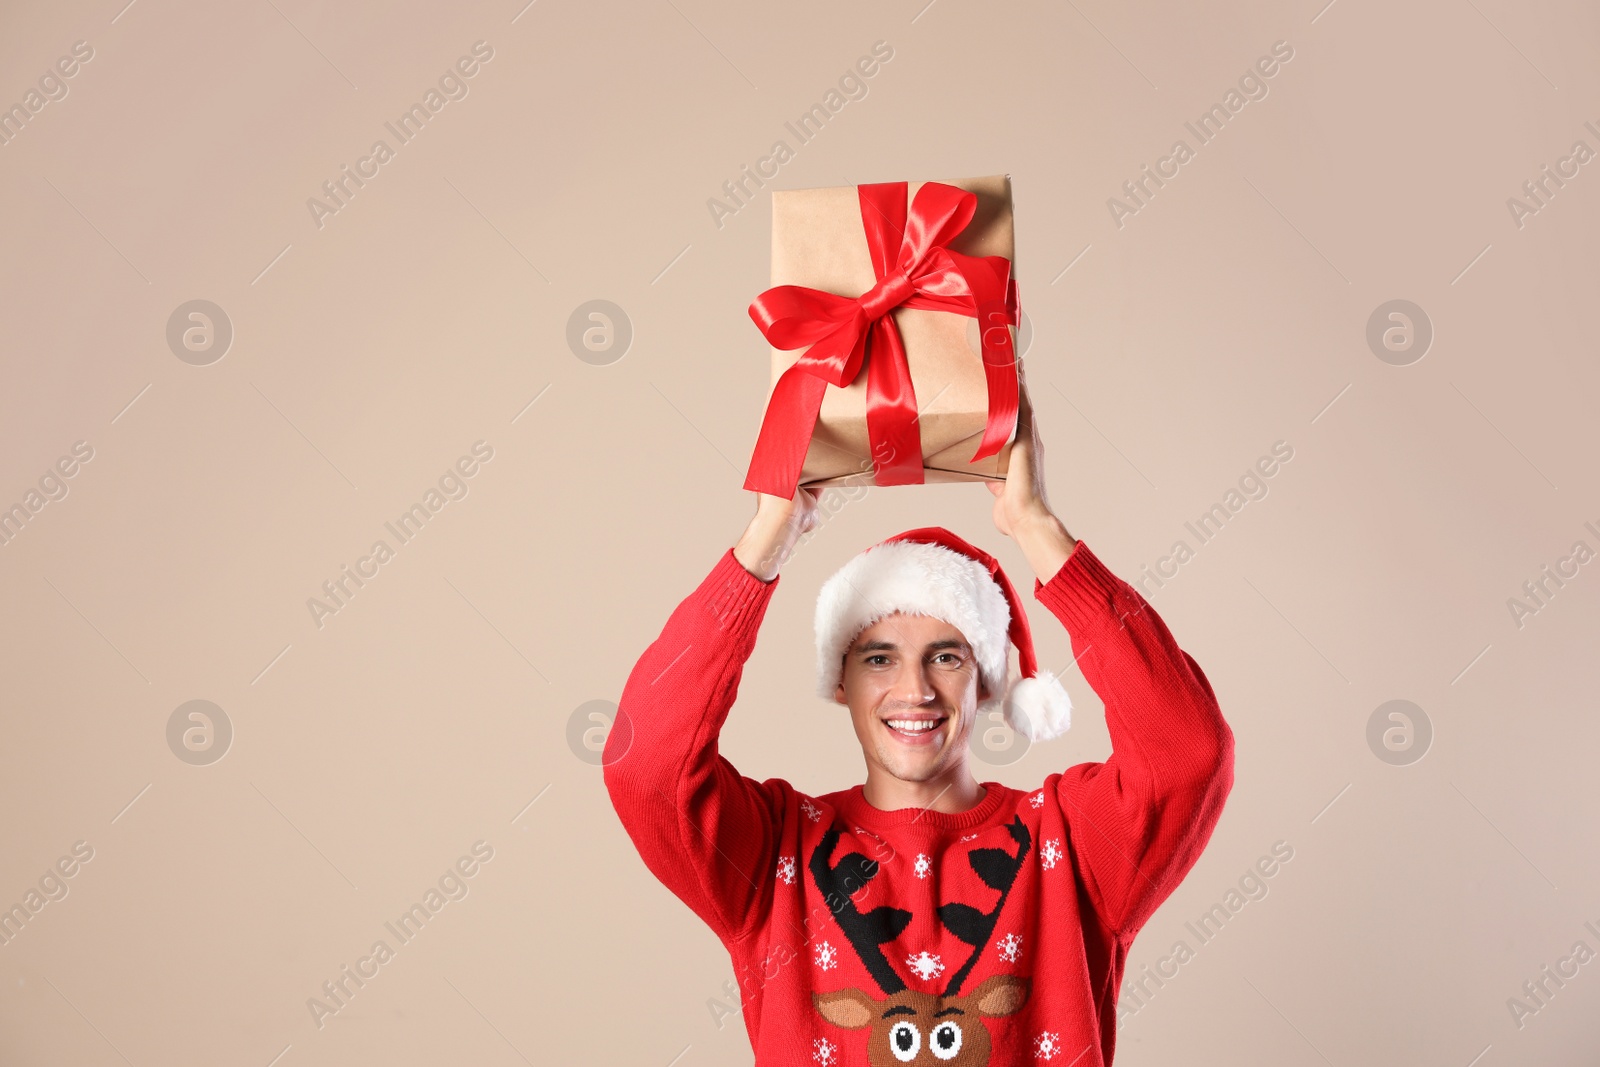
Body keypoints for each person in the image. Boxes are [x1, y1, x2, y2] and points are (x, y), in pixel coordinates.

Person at [603, 396, 1235, 1066]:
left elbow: (1187, 750)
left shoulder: (1073, 846)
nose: (915, 689)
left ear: (988, 679)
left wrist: (1036, 528)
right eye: (879, 657)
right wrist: (767, 539)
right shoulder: (771, 855)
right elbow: (646, 762)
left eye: (947, 655)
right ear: (839, 680)